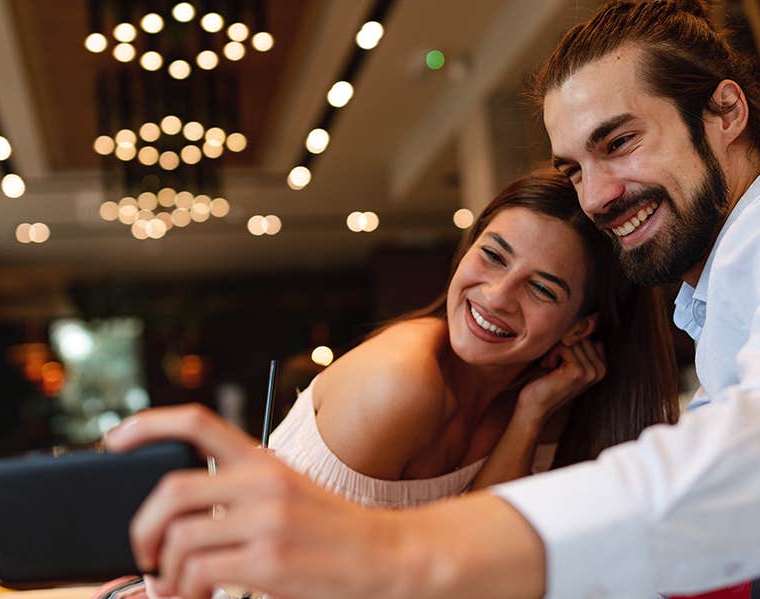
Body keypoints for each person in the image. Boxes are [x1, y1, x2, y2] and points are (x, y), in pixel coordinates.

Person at [104, 1, 760, 597]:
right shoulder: (727, 308)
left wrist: (391, 554)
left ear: (725, 112)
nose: (595, 196)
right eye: (573, 164)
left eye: (619, 141)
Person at [264, 168, 679, 508]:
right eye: (493, 256)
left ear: (579, 327)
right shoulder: (398, 384)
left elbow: (476, 560)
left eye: (542, 289)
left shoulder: (553, 396)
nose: (497, 296)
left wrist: (529, 416)